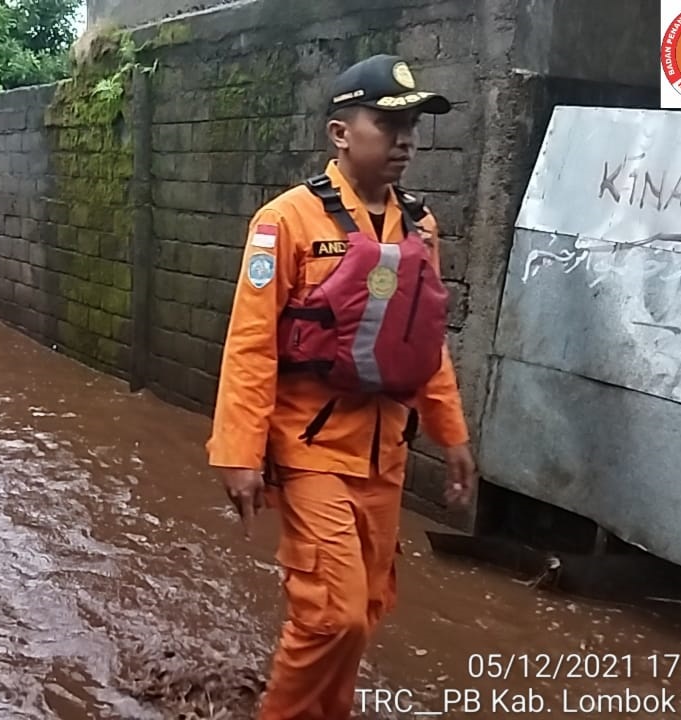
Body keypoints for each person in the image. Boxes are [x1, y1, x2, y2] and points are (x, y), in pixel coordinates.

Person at [205, 54, 478, 720]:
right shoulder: (286, 222)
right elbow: (250, 343)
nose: (405, 139)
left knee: (370, 604)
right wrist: (239, 453)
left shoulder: (420, 227)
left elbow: (425, 342)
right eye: (388, 123)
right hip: (309, 447)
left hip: (385, 452)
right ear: (339, 132)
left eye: (412, 124)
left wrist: (453, 434)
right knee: (334, 614)